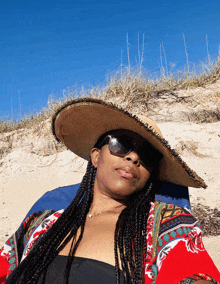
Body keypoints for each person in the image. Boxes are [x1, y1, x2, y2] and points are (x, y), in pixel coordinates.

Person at [0, 98, 220, 284]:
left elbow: (194, 272)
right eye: (121, 144)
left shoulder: (166, 225)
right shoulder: (40, 224)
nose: (134, 157)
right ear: (96, 156)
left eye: (147, 155)